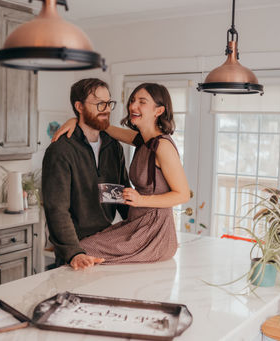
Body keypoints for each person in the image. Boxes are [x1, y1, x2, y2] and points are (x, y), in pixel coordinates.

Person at [52, 82, 190, 264]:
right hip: (137, 224)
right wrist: (76, 119)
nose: (133, 106)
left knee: (83, 250)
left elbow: (183, 194)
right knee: (79, 249)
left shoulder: (162, 146)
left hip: (152, 231)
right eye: (132, 100)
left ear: (158, 111)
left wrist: (141, 200)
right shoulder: (143, 141)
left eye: (142, 102)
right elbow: (105, 127)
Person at [42, 78, 131, 270]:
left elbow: (123, 196)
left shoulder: (113, 146)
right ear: (79, 106)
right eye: (99, 103)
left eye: (108, 103)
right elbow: (57, 208)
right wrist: (74, 252)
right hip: (75, 250)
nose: (106, 109)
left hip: (107, 244)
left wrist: (149, 229)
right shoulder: (61, 150)